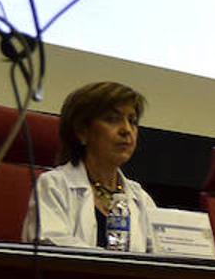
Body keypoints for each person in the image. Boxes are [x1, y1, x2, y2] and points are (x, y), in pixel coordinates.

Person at [22, 81, 158, 251]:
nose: (126, 130)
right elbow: (49, 245)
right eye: (112, 119)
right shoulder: (54, 185)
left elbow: (161, 257)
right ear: (82, 131)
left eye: (132, 121)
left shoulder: (141, 199)